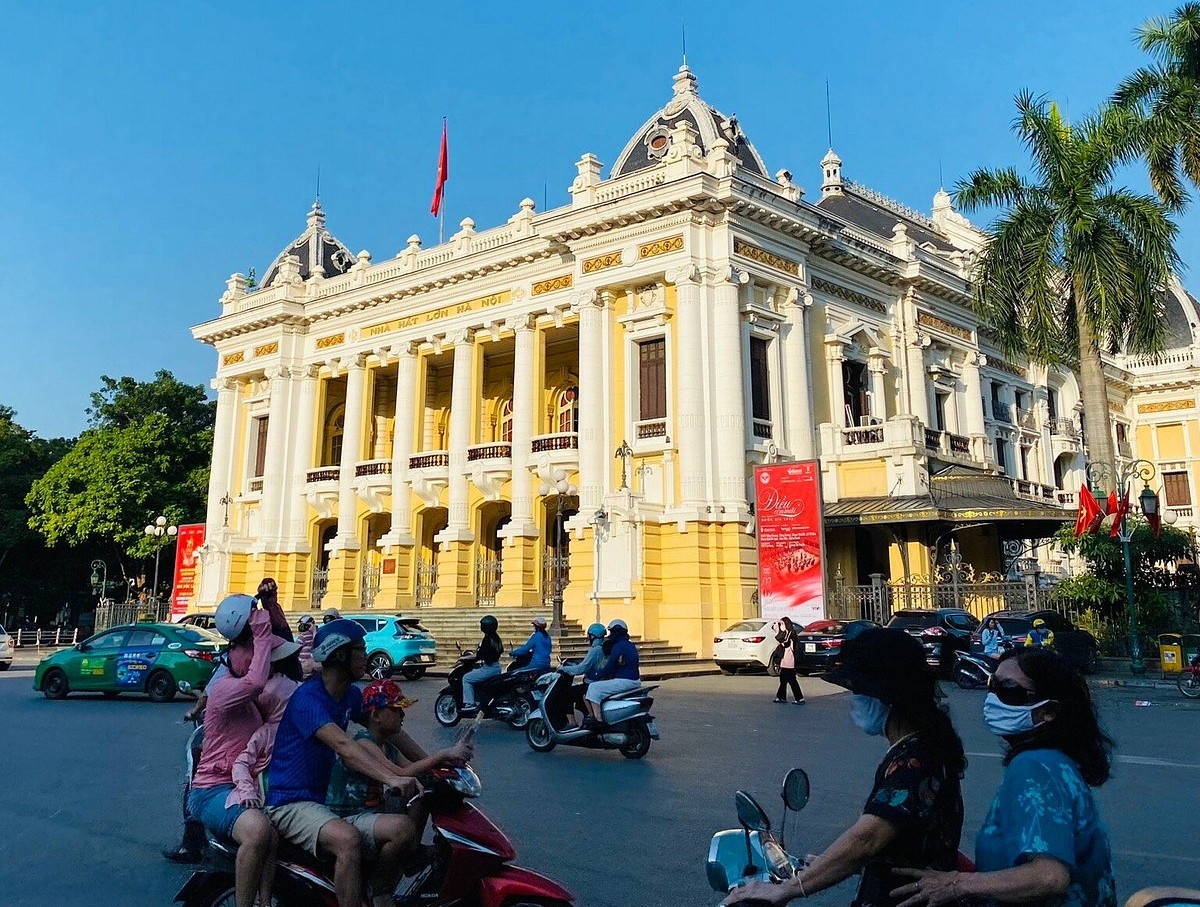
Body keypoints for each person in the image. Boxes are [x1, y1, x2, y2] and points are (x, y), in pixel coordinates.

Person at [724, 626, 965, 907]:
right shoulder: (919, 746)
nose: (855, 700)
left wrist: (787, 889)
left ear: (886, 696)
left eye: (859, 692)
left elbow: (867, 839)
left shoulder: (915, 760)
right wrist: (827, 865)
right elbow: (899, 845)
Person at [890, 647, 1115, 907]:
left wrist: (956, 884)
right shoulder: (1056, 761)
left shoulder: (1035, 766)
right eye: (992, 685)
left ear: (1049, 711)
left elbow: (1049, 877)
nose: (993, 699)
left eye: (1009, 691)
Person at [264, 619, 422, 907]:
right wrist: (391, 778)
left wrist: (434, 762)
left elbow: (389, 730)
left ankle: (378, 892)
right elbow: (343, 745)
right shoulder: (308, 699)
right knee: (347, 839)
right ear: (339, 654)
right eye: (360, 650)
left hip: (322, 803)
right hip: (290, 803)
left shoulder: (349, 694)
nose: (366, 655)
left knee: (402, 829)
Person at [186, 596, 288, 907]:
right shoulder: (224, 690)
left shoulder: (251, 700)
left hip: (241, 787)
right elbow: (256, 681)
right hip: (211, 791)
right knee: (257, 830)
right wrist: (260, 633)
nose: (266, 665)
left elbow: (287, 655)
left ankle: (264, 901)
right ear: (238, 656)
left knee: (273, 835)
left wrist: (271, 607)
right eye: (258, 657)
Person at [326, 679, 473, 845]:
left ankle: (411, 850)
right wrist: (443, 754)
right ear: (376, 716)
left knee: (423, 794)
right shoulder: (364, 743)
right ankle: (393, 860)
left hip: (374, 808)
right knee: (402, 828)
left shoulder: (386, 744)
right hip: (351, 815)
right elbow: (399, 773)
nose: (402, 715)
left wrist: (450, 760)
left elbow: (411, 767)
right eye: (396, 710)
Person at [582, 619, 640, 728]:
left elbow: (610, 666)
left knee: (594, 688)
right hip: (634, 679)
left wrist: (597, 674)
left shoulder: (618, 646)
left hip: (625, 680)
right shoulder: (630, 645)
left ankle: (597, 719)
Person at [558, 622, 608, 726]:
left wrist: (564, 668)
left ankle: (572, 723)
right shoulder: (604, 647)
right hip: (600, 681)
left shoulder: (595, 650)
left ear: (592, 636)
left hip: (592, 683)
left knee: (564, 694)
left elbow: (581, 669)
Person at [461, 615, 504, 713]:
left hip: (489, 668)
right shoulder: (496, 638)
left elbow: (479, 655)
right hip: (496, 666)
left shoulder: (487, 639)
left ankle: (470, 703)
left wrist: (465, 658)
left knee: (466, 678)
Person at [772, 616, 805, 704]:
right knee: (783, 679)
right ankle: (781, 697)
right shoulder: (785, 633)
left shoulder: (792, 634)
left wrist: (778, 633)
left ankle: (799, 698)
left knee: (791, 680)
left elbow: (785, 644)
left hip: (790, 659)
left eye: (782, 624)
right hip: (784, 659)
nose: (781, 626)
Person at [297, 614, 318, 678]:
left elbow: (297, 647)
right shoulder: (314, 634)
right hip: (311, 660)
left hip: (303, 662)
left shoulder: (302, 636)